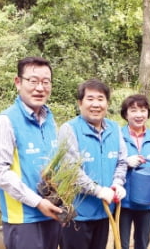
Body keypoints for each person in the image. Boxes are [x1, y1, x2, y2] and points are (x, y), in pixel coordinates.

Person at [0, 56, 63, 249]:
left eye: (45, 82)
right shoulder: (6, 122)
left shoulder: (49, 119)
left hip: (50, 213)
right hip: (23, 220)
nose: (40, 88)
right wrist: (37, 202)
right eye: (33, 81)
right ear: (18, 82)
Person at [57, 79, 128, 249]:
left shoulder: (114, 128)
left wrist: (118, 183)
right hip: (76, 216)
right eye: (90, 99)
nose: (96, 104)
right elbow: (71, 171)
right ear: (80, 103)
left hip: (103, 212)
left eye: (100, 99)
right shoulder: (69, 129)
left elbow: (122, 161)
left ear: (107, 103)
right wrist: (98, 190)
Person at [118, 94, 150, 249]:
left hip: (146, 199)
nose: (139, 114)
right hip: (123, 200)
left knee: (143, 242)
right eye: (133, 110)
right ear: (126, 114)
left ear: (148, 113)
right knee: (121, 243)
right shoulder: (118, 134)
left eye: (143, 110)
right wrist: (126, 162)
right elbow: (111, 163)